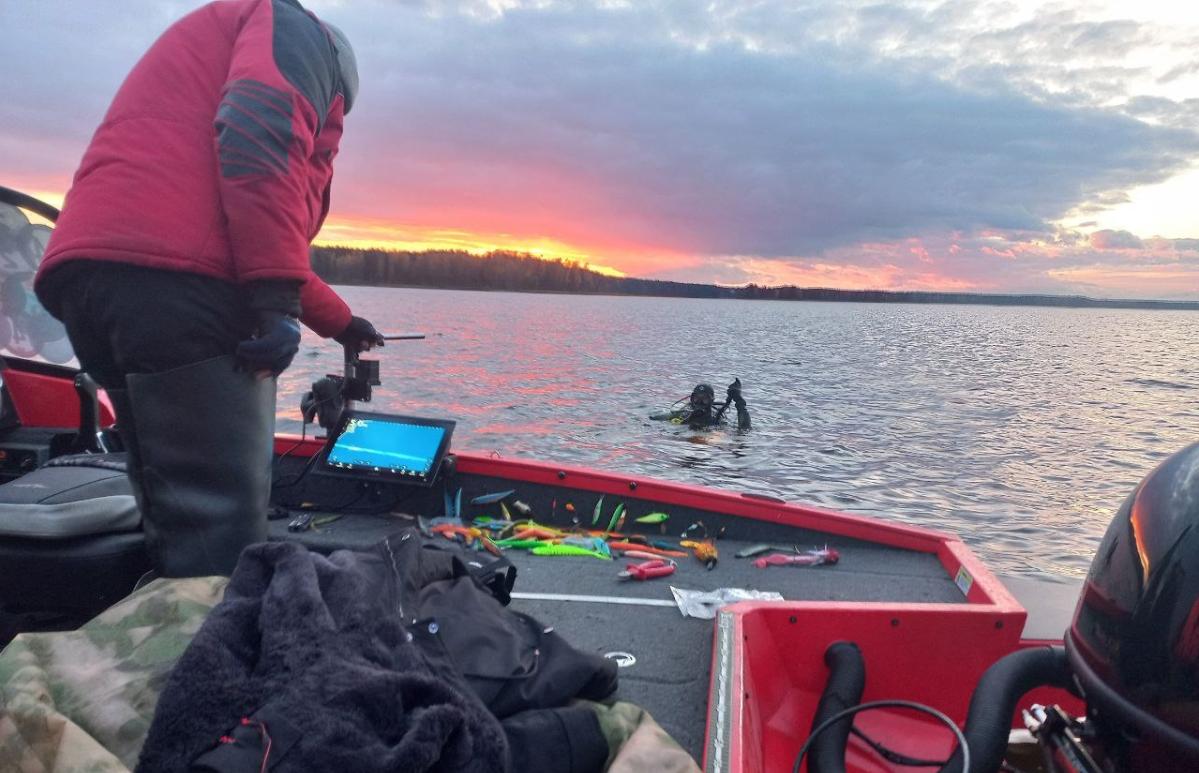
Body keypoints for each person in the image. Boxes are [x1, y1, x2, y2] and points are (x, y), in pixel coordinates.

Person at [33, 0, 379, 578]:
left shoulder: (210, 48)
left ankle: (160, 637)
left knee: (170, 509)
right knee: (223, 540)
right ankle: (214, 658)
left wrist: (339, 321)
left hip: (90, 283)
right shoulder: (296, 30)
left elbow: (225, 229)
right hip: (180, 293)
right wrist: (276, 305)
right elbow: (258, 132)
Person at [650, 379, 750, 429]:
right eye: (696, 398)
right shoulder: (683, 414)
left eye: (704, 399)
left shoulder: (716, 419)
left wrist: (740, 402)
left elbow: (744, 431)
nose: (699, 402)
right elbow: (654, 418)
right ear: (691, 398)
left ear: (711, 400)